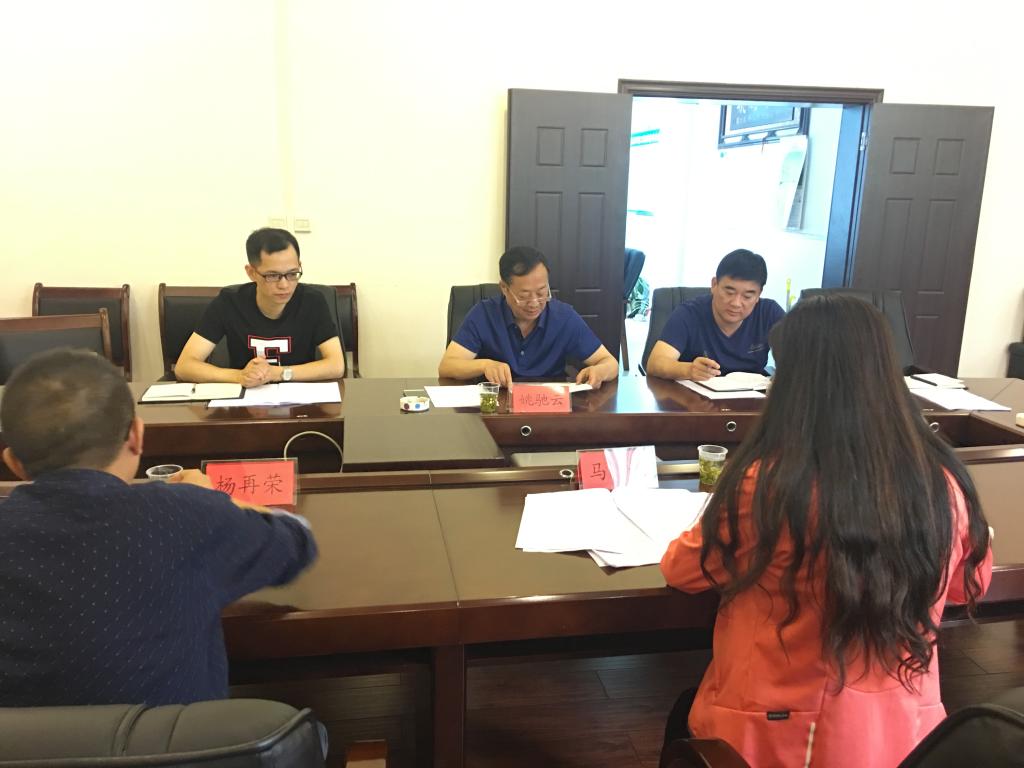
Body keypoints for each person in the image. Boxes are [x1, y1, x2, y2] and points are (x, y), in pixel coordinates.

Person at [659, 295, 992, 767]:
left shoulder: (769, 483)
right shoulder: (944, 484)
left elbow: (682, 569)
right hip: (905, 737)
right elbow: (967, 586)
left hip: (770, 739)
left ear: (798, 386)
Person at [0, 349, 318, 707]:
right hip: (182, 740)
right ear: (137, 435)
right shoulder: (184, 514)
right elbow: (296, 541)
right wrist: (217, 499)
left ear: (13, 463)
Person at [175, 227, 345, 386]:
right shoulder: (229, 302)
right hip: (246, 398)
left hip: (300, 398)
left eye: (292, 273)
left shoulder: (313, 301)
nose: (284, 285)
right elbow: (184, 366)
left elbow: (336, 365)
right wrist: (239, 376)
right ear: (251, 273)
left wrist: (279, 373)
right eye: (272, 276)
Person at [438, 246, 619, 388]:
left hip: (548, 407)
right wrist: (485, 365)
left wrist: (599, 371)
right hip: (496, 409)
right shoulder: (484, 314)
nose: (534, 303)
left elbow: (610, 363)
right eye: (523, 296)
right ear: (504, 288)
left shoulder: (564, 317)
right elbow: (447, 366)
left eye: (541, 292)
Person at [646, 249, 785, 382]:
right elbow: (655, 363)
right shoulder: (689, 313)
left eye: (747, 296)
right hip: (694, 396)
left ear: (758, 294)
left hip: (751, 396)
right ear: (714, 285)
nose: (736, 303)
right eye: (729, 292)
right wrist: (688, 370)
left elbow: (794, 360)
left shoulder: (769, 313)